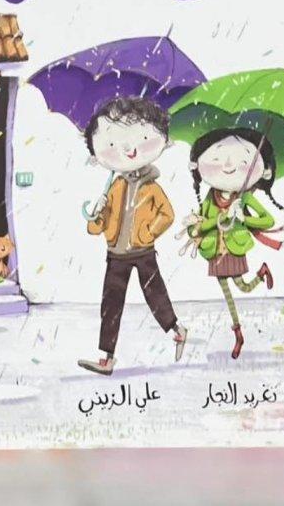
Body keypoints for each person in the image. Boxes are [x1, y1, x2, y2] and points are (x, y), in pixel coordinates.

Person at [78, 96, 187, 375]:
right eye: (113, 143)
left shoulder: (152, 187)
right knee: (111, 304)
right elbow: (96, 228)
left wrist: (146, 233)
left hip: (142, 251)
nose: (128, 149)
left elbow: (167, 215)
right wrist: (98, 214)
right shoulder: (114, 187)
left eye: (142, 138)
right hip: (116, 253)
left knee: (155, 295)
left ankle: (176, 330)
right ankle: (106, 357)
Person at [186, 127, 284, 360]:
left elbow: (268, 220)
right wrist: (216, 220)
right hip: (215, 251)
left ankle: (262, 273)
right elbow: (199, 224)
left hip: (234, 249)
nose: (229, 165)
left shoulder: (245, 197)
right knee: (227, 294)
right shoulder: (211, 196)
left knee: (242, 287)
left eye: (243, 161)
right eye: (217, 158)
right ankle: (238, 333)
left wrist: (243, 217)